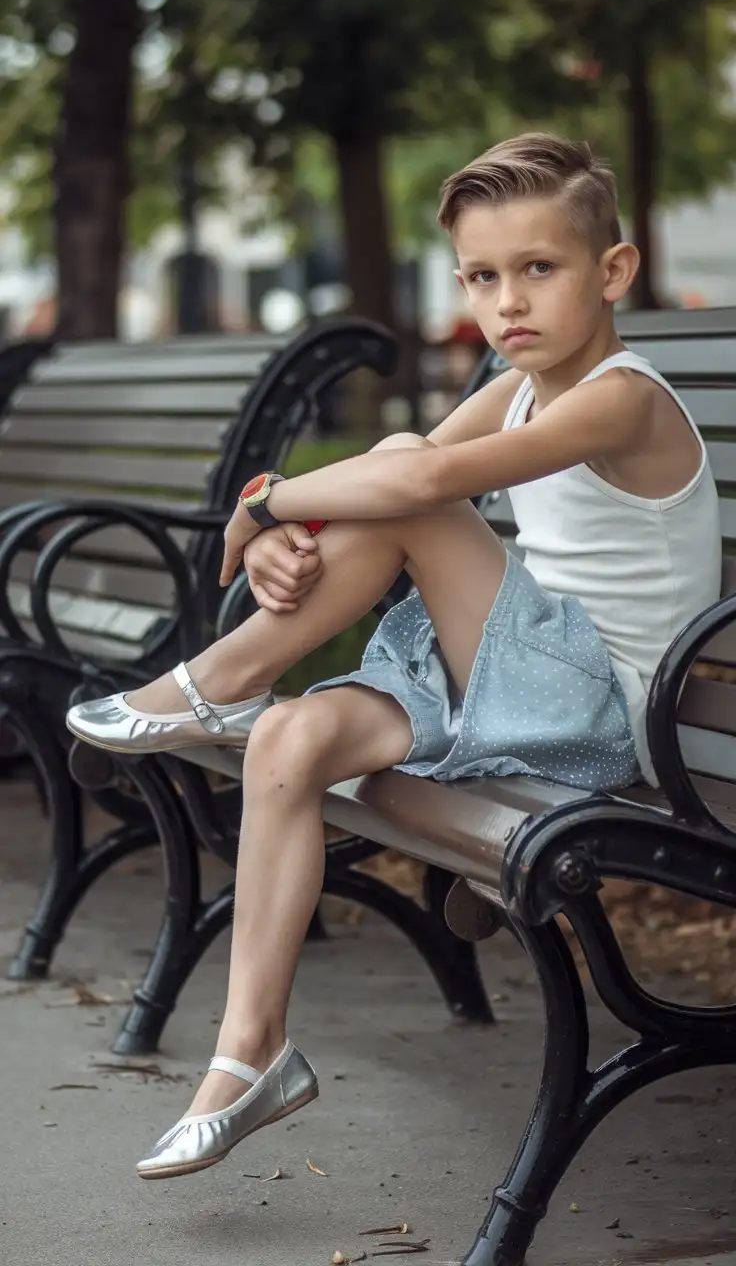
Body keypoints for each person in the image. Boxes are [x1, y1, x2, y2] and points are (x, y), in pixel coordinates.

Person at [66, 132, 721, 1180]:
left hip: (601, 717)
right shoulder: (517, 388)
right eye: (481, 276)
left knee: (414, 483)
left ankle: (210, 682)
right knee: (295, 735)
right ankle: (250, 1055)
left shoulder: (623, 396)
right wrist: (270, 520)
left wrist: (272, 500)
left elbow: (417, 491)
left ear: (612, 271)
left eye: (537, 269)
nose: (506, 302)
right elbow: (391, 467)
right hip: (514, 683)